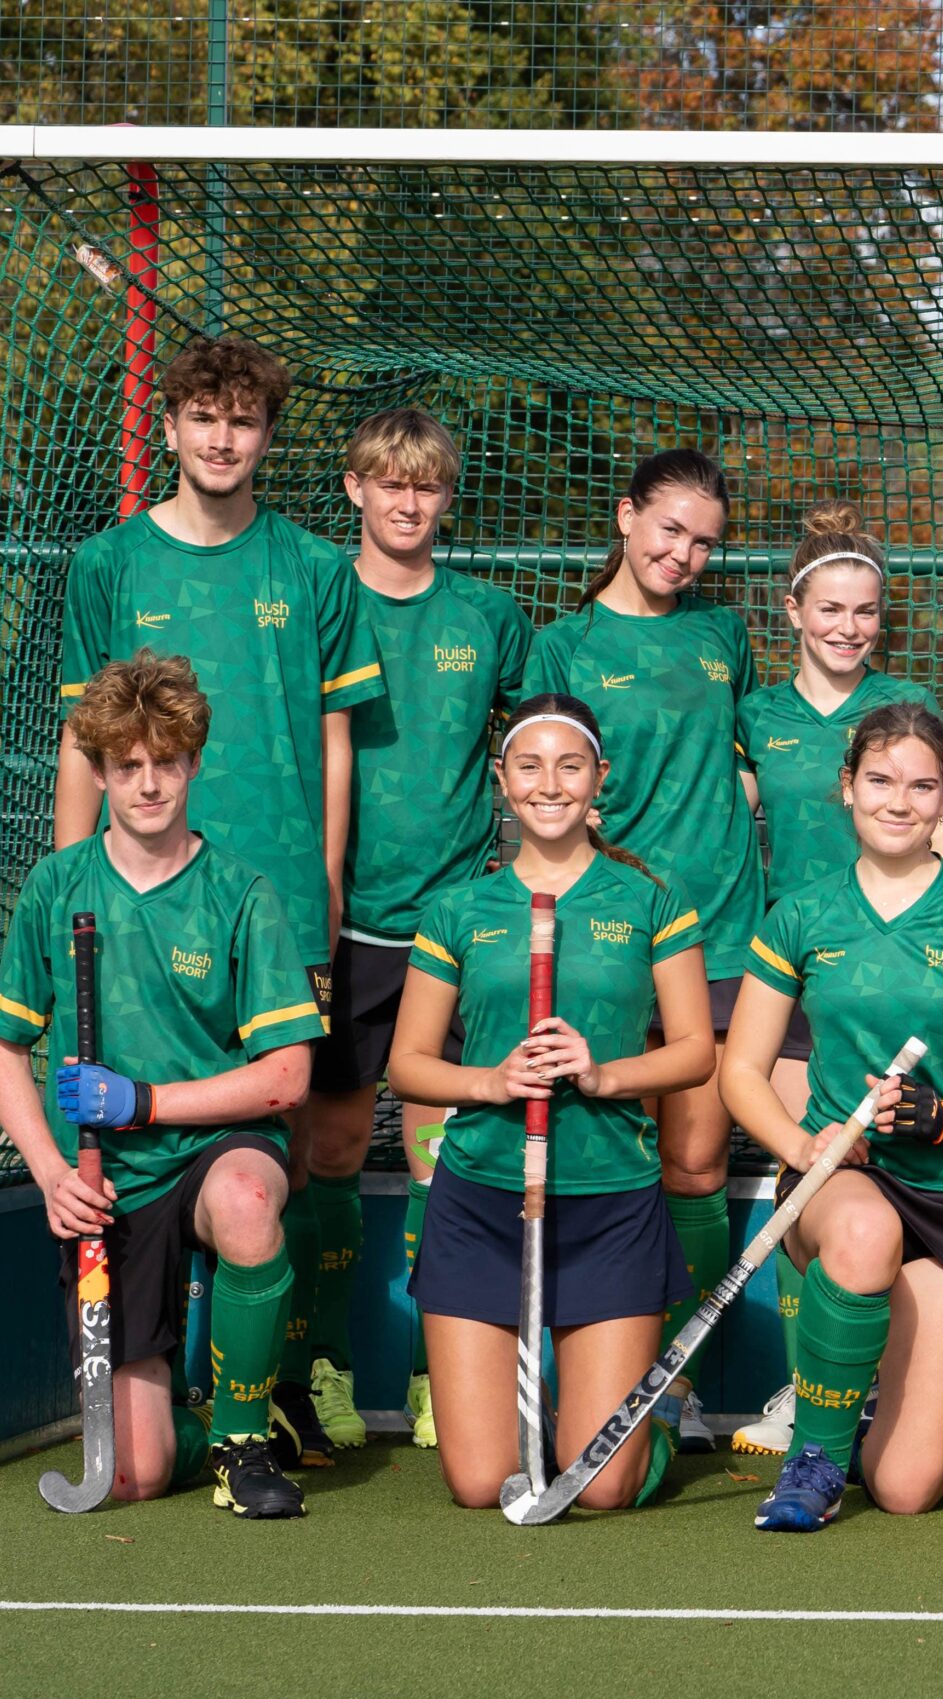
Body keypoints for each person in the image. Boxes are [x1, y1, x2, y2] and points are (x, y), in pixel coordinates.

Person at [53, 335, 386, 1463]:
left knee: (273, 1147)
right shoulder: (106, 565)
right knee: (145, 1133)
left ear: (266, 439)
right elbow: (77, 738)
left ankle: (272, 1384)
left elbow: (336, 745)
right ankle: (169, 1383)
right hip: (134, 894)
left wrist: (327, 892)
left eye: (243, 421)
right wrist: (68, 891)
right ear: (172, 427)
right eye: (203, 417)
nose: (222, 438)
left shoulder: (314, 569)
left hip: (278, 893)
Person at [0, 653, 324, 1517]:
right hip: (109, 1182)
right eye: (127, 765)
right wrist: (51, 1174)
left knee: (247, 1198)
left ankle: (244, 1441)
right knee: (132, 1473)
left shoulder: (240, 892)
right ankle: (187, 1413)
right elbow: (2, 1048)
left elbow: (287, 1075)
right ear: (97, 772)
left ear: (193, 762)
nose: (147, 783)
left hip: (213, 1146)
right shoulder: (56, 888)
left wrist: (146, 1101)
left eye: (164, 762)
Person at [719, 703, 943, 1530]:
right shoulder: (801, 913)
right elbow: (741, 1072)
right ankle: (817, 1456)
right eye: (879, 780)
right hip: (843, 1181)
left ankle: (852, 1395)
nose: (898, 801)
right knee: (864, 1233)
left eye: (921, 785)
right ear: (847, 787)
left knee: (907, 1486)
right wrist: (807, 1142)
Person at [386, 694, 716, 1511]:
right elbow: (409, 1065)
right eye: (528, 766)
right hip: (481, 1201)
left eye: (570, 765)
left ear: (599, 776)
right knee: (477, 1481)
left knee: (600, 1488)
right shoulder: (460, 909)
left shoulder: (651, 902)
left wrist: (602, 1073)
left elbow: (695, 1052)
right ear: (502, 781)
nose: (550, 784)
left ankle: (652, 1424)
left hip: (609, 1199)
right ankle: (572, 1421)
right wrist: (493, 1082)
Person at [292, 409, 531, 1455]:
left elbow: (550, 745)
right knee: (334, 1146)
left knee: (453, 1158)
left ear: (447, 497)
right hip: (348, 928)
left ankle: (452, 1375)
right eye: (388, 483)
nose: (407, 502)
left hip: (459, 928)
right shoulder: (311, 601)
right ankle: (322, 1369)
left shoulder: (487, 614)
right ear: (353, 489)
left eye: (426, 486)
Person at [523, 448, 755, 1451]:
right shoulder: (560, 646)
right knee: (607, 1165)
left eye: (704, 541)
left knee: (696, 1168)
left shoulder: (723, 635)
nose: (685, 554)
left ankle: (671, 1389)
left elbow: (741, 769)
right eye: (669, 530)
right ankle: (580, 1374)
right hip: (608, 940)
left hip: (722, 933)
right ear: (625, 519)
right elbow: (541, 795)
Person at [730, 499, 943, 1459]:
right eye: (830, 607)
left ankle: (877, 1389)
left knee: (889, 1182)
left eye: (866, 610)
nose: (848, 626)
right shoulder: (755, 713)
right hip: (799, 985)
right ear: (792, 610)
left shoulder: (905, 706)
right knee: (812, 1182)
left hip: (899, 991)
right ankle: (808, 1386)